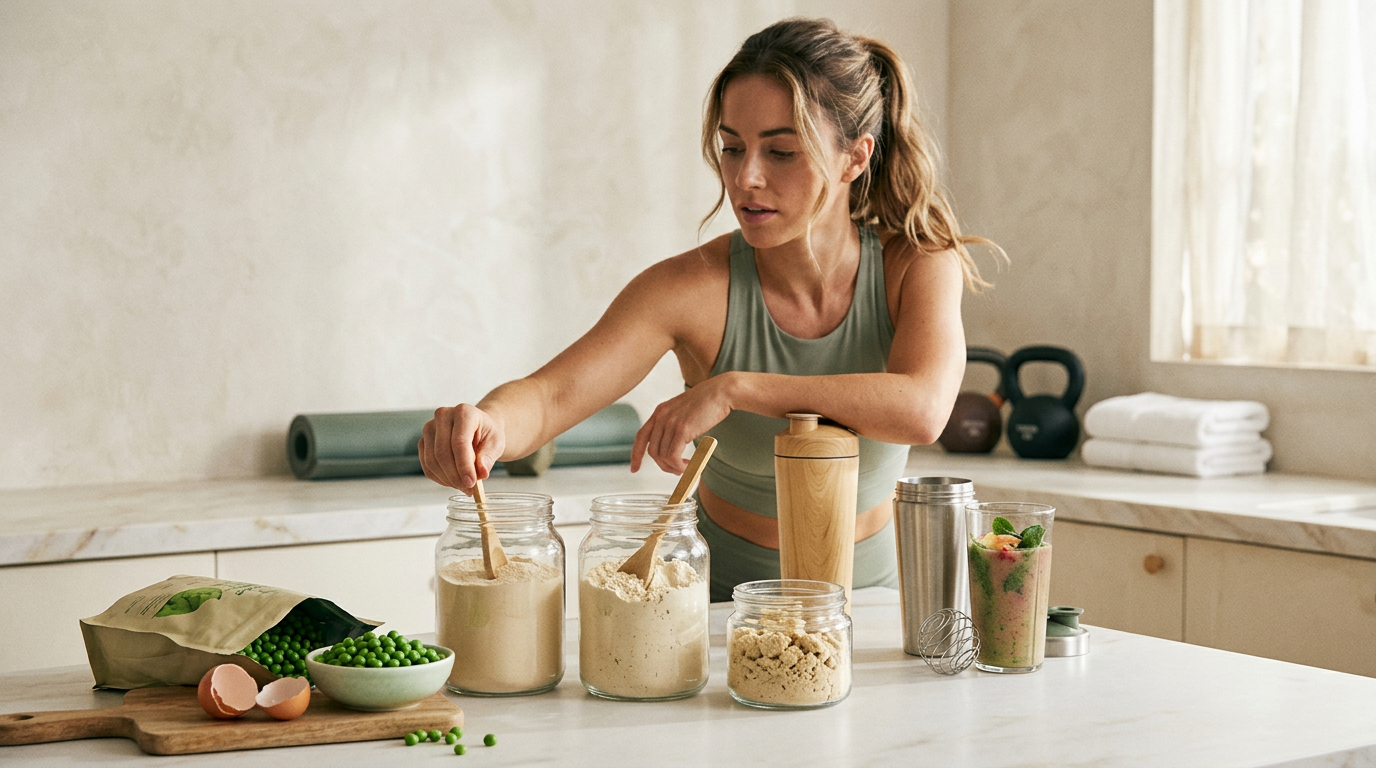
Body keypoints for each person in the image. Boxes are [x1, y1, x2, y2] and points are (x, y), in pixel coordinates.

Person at [419, 17, 1002, 601]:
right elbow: (549, 398)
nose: (746, 177)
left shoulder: (917, 263)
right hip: (716, 610)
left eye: (780, 151)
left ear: (854, 158)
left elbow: (923, 409)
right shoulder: (686, 288)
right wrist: (488, 422)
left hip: (873, 603)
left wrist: (735, 388)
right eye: (731, 147)